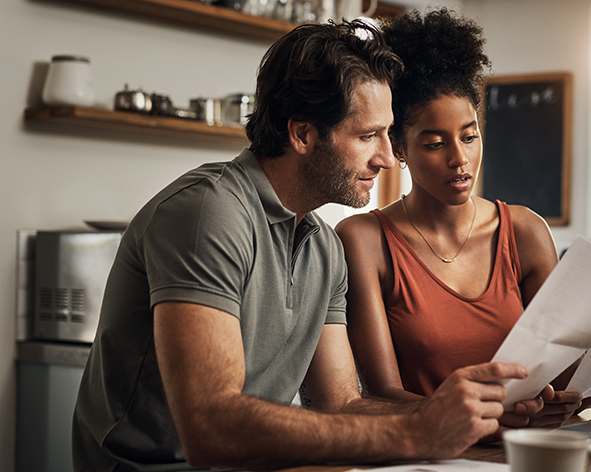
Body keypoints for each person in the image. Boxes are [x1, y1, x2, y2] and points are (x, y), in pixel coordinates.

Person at [72, 20, 541, 472]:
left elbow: (341, 404)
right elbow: (209, 428)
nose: (384, 156)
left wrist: (455, 414)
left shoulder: (323, 248)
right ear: (302, 134)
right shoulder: (208, 213)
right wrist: (415, 434)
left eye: (386, 133)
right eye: (366, 136)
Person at [335, 8, 591, 435]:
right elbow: (381, 396)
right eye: (435, 143)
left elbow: (567, 381)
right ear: (397, 146)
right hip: (429, 458)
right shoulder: (365, 240)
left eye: (470, 136)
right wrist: (487, 418)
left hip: (526, 452)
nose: (460, 159)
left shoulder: (524, 231)